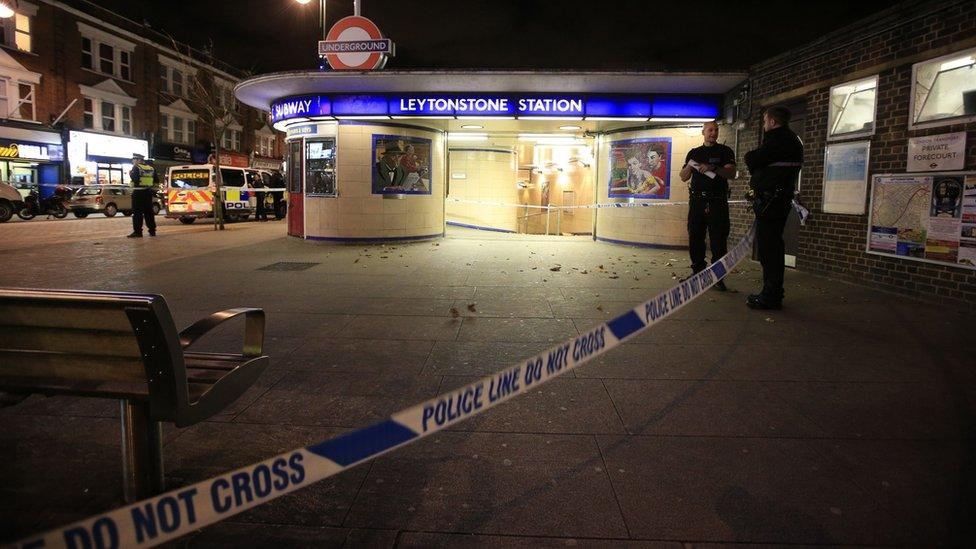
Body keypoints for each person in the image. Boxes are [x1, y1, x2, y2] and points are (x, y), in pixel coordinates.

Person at [744, 105, 804, 310]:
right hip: (776, 200)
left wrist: (755, 163)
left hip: (772, 202)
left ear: (772, 122)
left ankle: (771, 295)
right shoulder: (792, 140)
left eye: (764, 121)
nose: (763, 125)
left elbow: (752, 158)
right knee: (771, 246)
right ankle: (771, 292)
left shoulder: (778, 140)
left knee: (770, 249)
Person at [679, 120, 736, 291]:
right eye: (710, 130)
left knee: (718, 238)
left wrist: (714, 167)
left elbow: (731, 173)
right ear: (703, 132)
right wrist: (690, 166)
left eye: (716, 130)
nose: (714, 133)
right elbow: (683, 177)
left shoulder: (725, 151)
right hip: (697, 201)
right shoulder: (694, 153)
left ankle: (718, 277)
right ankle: (697, 272)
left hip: (717, 201)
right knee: (695, 236)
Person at [127, 153, 158, 238]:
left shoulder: (136, 167)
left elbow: (135, 179)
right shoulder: (151, 168)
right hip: (148, 193)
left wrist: (131, 174)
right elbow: (156, 181)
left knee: (137, 213)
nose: (133, 161)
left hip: (138, 193)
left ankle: (138, 232)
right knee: (149, 213)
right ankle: (152, 231)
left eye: (133, 160)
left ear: (137, 160)